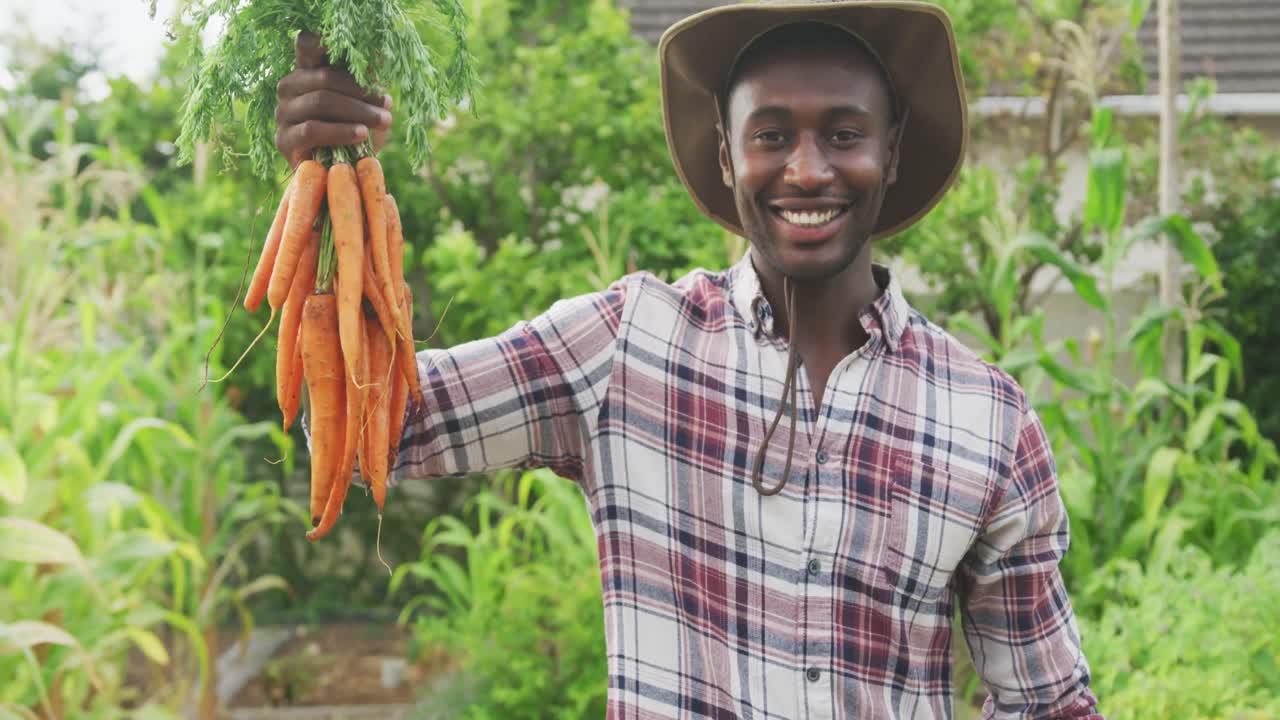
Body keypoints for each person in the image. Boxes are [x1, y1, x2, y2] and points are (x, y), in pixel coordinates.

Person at [274, 1, 1103, 717]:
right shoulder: (628, 344)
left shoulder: (984, 417)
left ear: (890, 152)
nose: (807, 170)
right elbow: (373, 433)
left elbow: (1048, 702)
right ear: (724, 157)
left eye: (843, 134)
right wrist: (330, 183)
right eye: (771, 134)